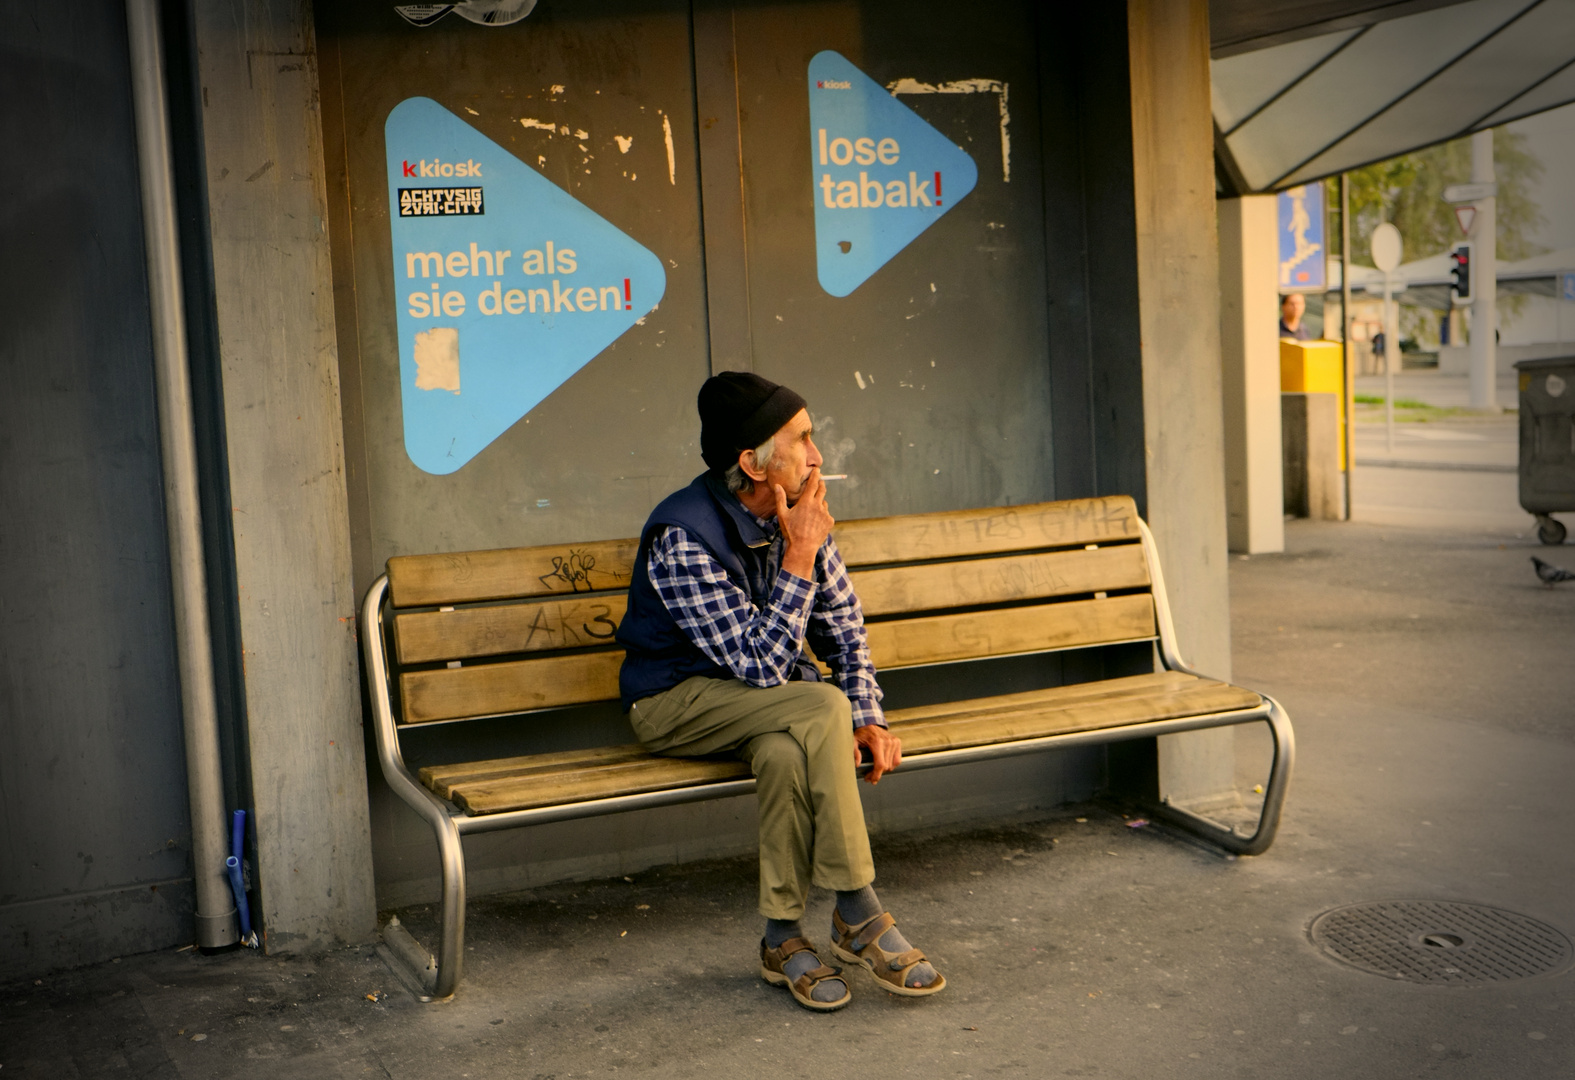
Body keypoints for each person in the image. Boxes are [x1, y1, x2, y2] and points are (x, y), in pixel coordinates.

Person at [616, 371, 946, 1012]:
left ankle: (780, 937)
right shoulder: (683, 536)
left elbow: (845, 631)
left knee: (785, 752)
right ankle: (858, 908)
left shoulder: (803, 519)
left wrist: (871, 718)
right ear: (753, 462)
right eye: (801, 439)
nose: (817, 455)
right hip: (675, 702)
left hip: (762, 706)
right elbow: (763, 666)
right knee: (821, 704)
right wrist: (797, 556)